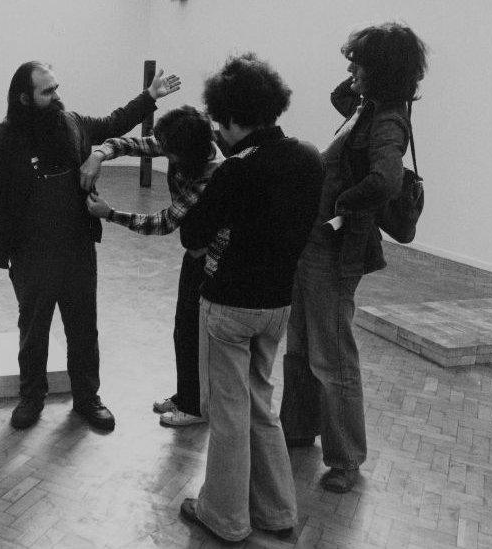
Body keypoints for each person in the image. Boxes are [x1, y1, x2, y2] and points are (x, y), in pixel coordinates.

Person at [0, 61, 180, 431]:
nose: (57, 96)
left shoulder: (71, 123)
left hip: (77, 247)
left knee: (84, 328)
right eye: (47, 91)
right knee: (34, 330)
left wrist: (150, 97)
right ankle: (31, 398)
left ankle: (88, 398)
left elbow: (114, 121)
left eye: (56, 87)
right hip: (29, 253)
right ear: (24, 98)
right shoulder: (2, 137)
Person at [175, 53, 324, 542]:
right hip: (278, 304)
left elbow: (192, 236)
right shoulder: (308, 156)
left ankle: (224, 515)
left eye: (222, 121)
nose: (218, 130)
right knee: (262, 405)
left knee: (230, 411)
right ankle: (278, 511)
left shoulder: (236, 169)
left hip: (230, 306)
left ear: (235, 118)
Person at [280, 23, 428, 493]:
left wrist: (342, 206)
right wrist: (364, 80)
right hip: (317, 245)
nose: (349, 69)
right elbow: (336, 95)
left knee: (333, 355)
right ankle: (299, 428)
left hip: (337, 250)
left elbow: (385, 180)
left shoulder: (386, 122)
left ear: (379, 71)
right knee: (302, 344)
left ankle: (345, 459)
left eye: (358, 63)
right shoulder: (367, 109)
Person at [79, 105, 224, 426]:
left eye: (170, 155)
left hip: (214, 262)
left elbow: (163, 222)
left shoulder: (211, 174)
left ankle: (197, 408)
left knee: (196, 334)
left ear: (185, 155)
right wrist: (100, 153)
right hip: (195, 252)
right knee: (183, 330)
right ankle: (187, 396)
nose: (165, 155)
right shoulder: (185, 141)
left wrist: (110, 213)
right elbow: (131, 144)